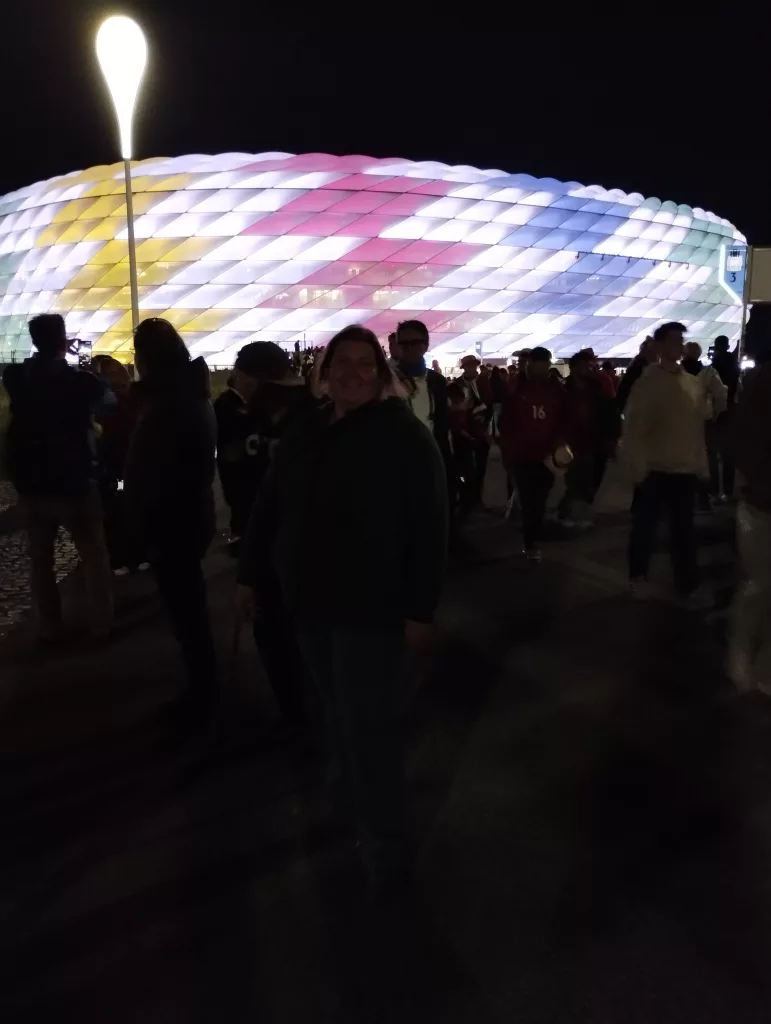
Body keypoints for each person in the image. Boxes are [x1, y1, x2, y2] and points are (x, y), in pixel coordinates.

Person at [236, 325, 448, 895]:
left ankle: (385, 850)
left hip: (369, 607)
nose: (352, 372)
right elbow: (269, 502)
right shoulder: (308, 427)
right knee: (333, 707)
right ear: (324, 372)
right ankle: (344, 796)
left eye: (364, 364)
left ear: (381, 375)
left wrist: (420, 610)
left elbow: (429, 528)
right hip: (309, 603)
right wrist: (253, 573)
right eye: (341, 363)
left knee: (370, 726)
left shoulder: (404, 437)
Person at [122, 318, 218, 723]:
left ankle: (204, 695)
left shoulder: (172, 404)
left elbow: (161, 472)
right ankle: (203, 686)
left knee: (188, 611)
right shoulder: (186, 395)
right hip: (186, 518)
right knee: (187, 607)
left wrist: (141, 522)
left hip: (172, 522)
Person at [3, 314, 114, 640]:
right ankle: (101, 624)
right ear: (63, 341)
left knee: (40, 561)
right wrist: (92, 374)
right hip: (75, 481)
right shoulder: (79, 381)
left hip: (33, 483)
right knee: (94, 555)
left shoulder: (16, 376)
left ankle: (49, 626)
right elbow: (108, 403)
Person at [223, 341, 315, 728]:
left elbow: (246, 489)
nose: (234, 381)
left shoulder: (304, 417)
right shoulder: (307, 411)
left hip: (285, 546)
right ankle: (307, 715)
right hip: (280, 544)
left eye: (241, 374)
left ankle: (302, 719)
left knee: (282, 638)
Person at [622, 322, 709, 603]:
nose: (678, 346)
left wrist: (700, 463)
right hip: (655, 470)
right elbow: (634, 428)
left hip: (683, 469)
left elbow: (697, 427)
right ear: (658, 346)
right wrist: (638, 467)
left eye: (680, 340)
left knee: (684, 531)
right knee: (645, 527)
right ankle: (637, 575)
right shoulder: (648, 383)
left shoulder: (691, 382)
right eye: (672, 340)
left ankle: (687, 584)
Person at [727, 306, 771, 693]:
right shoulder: (762, 384)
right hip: (762, 503)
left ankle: (757, 665)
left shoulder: (758, 383)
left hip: (758, 498)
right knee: (758, 586)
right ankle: (744, 660)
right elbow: (747, 445)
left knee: (759, 586)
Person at [498, 346, 567, 561]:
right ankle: (531, 541)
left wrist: (561, 444)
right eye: (534, 363)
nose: (537, 368)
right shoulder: (517, 387)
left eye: (542, 364)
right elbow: (506, 422)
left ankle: (532, 534)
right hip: (523, 455)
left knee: (541, 496)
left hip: (546, 455)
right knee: (530, 500)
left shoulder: (556, 389)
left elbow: (565, 419)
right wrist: (508, 451)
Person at [92, 355, 146, 576]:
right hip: (121, 466)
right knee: (120, 508)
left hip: (123, 465)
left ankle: (128, 556)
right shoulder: (114, 400)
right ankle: (126, 556)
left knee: (124, 508)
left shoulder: (123, 399)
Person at [558, 349, 621, 527]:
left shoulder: (598, 389)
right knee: (575, 480)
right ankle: (570, 513)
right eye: (584, 365)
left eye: (591, 364)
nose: (588, 368)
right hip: (573, 442)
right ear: (574, 367)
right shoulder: (564, 390)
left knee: (590, 480)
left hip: (594, 441)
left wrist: (612, 438)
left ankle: (577, 512)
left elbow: (610, 413)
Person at [682, 341, 728, 512]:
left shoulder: (677, 372)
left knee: (684, 457)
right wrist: (715, 413)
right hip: (704, 421)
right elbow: (721, 394)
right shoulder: (708, 372)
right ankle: (708, 495)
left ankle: (688, 497)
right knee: (708, 457)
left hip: (682, 423)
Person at [456, 354, 492, 507]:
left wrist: (489, 429)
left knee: (481, 465)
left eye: (473, 365)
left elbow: (490, 404)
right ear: (464, 368)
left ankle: (477, 496)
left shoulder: (484, 382)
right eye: (468, 366)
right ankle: (466, 496)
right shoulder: (457, 385)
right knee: (465, 466)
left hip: (481, 430)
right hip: (463, 430)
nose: (471, 368)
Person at [711, 335, 741, 500]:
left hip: (717, 413)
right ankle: (728, 491)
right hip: (731, 412)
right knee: (728, 455)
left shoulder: (715, 365)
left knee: (713, 455)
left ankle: (714, 491)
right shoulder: (733, 364)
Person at [616, 336, 661, 414]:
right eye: (654, 352)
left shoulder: (638, 366)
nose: (657, 356)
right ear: (645, 352)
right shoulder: (640, 369)